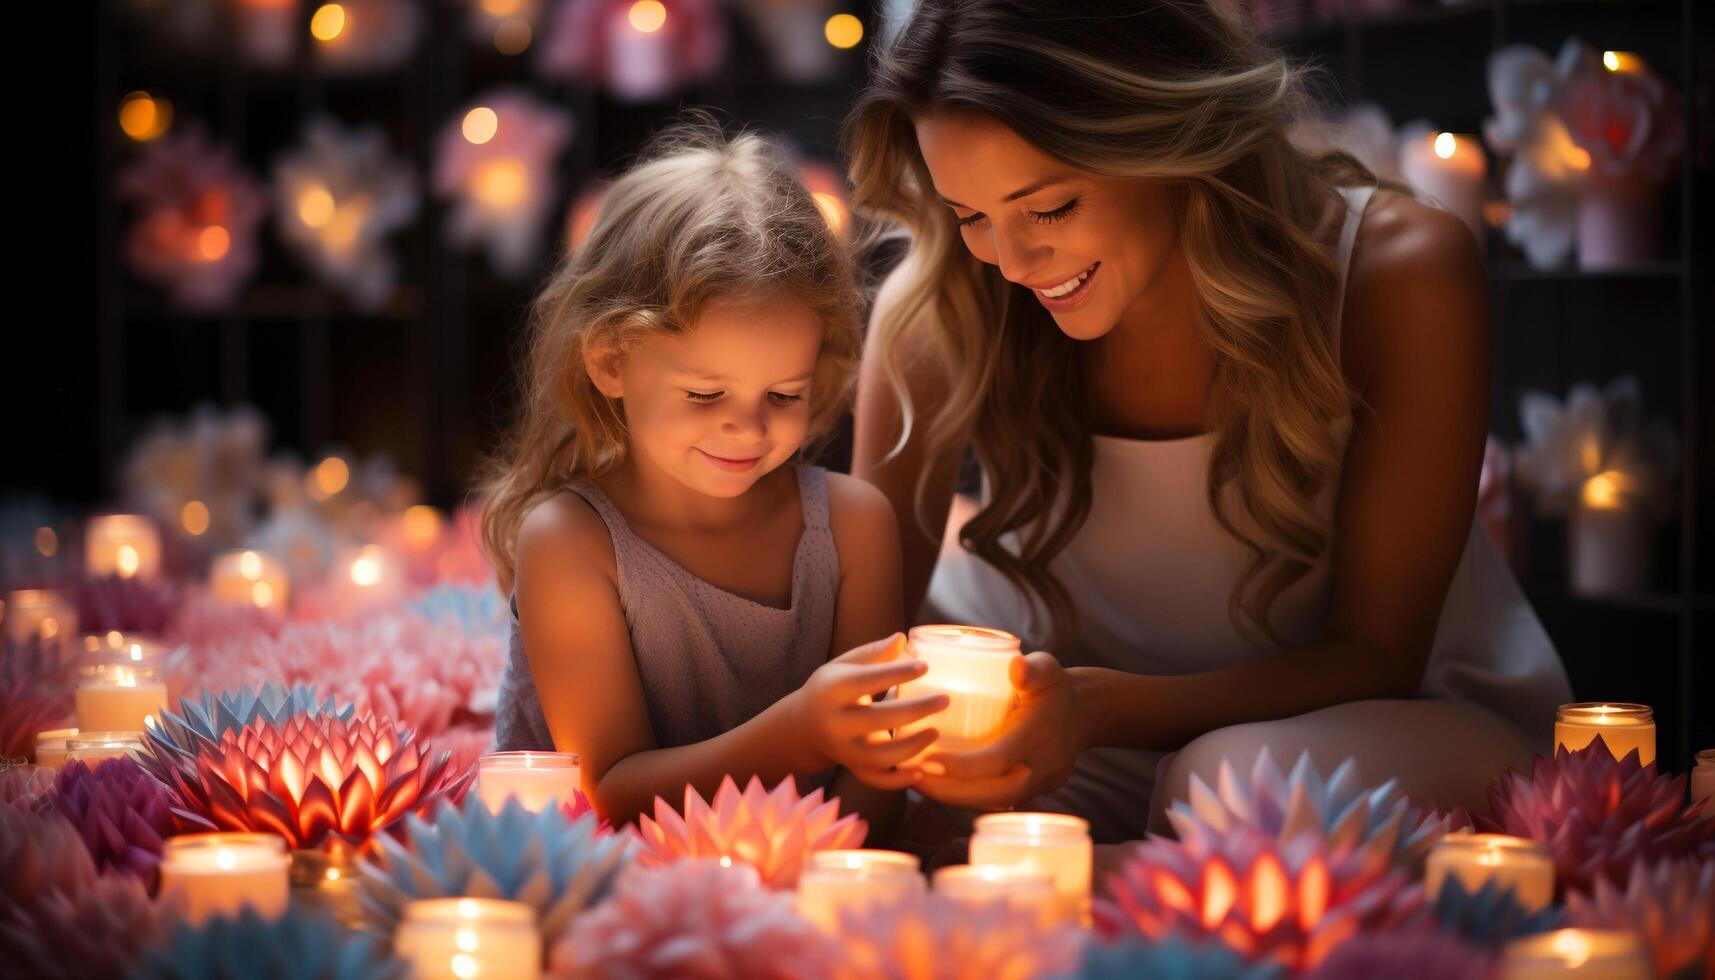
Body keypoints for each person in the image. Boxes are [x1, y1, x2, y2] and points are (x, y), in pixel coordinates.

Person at [843, 0, 1572, 844]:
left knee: (1222, 784)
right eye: (971, 215)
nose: (1010, 263)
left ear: (1164, 136)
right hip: (1089, 742)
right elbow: (867, 643)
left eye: (1046, 208)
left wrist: (1095, 705)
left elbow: (1377, 653)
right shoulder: (947, 305)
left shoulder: (1395, 273)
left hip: (1389, 723)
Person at [484, 123, 945, 829]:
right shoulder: (571, 543)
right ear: (609, 359)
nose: (749, 429)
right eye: (705, 395)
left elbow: (874, 780)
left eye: (783, 395)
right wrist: (798, 735)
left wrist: (836, 881)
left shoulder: (853, 528)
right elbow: (608, 792)